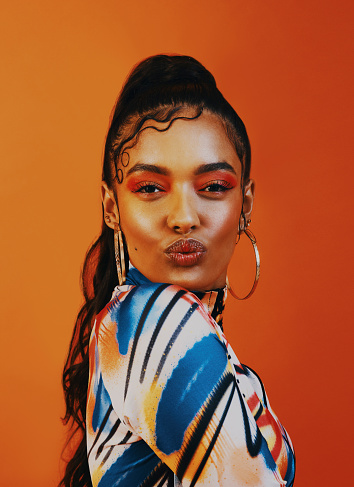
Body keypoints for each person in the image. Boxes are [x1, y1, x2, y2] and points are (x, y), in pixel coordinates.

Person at [60, 54, 295, 487]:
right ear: (112, 207)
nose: (184, 217)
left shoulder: (137, 323)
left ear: (245, 203)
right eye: (150, 188)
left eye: (213, 187)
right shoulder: (158, 323)